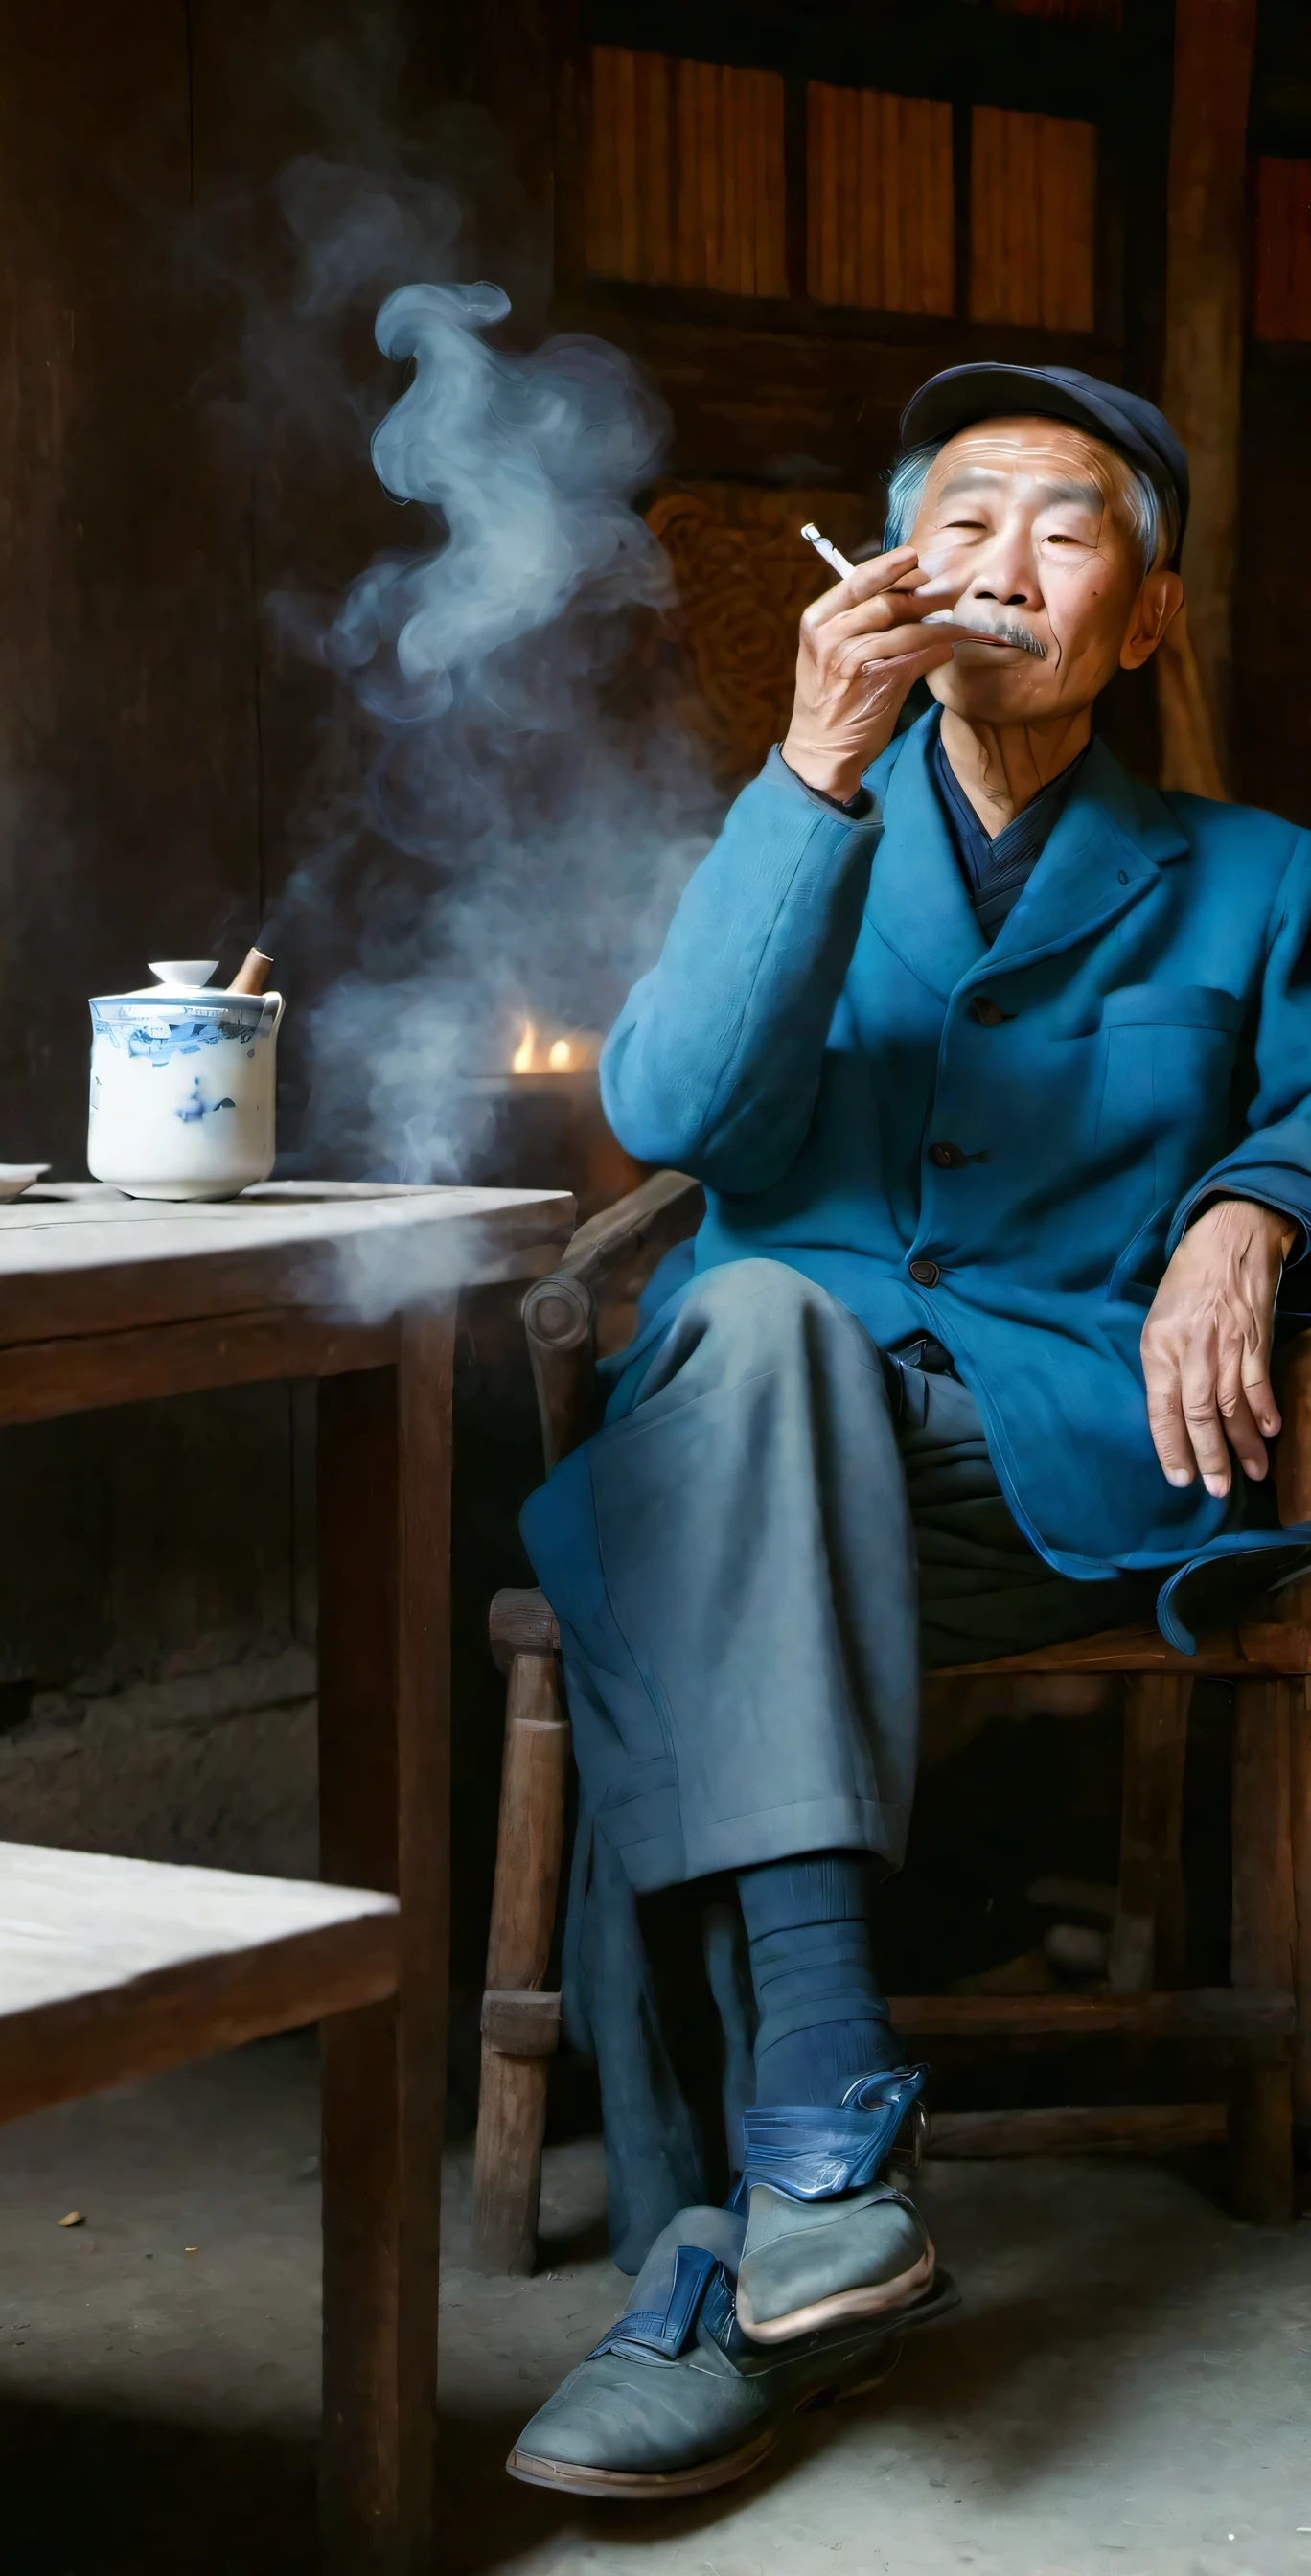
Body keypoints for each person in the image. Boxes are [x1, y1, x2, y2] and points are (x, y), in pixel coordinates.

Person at [507, 363, 1311, 2501]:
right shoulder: (808, 822)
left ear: (1142, 622)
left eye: (1065, 531)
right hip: (768, 1420)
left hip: (1045, 1464)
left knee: (670, 1537)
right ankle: (812, 2185)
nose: (1001, 564)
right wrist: (809, 770)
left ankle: (718, 2242)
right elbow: (670, 1119)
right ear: (883, 572)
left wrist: (1258, 1203)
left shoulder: (1256, 875)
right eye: (959, 522)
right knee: (759, 1334)